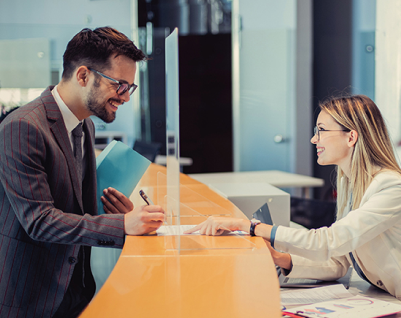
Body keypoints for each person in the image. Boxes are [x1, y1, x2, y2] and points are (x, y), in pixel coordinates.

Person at [0, 27, 165, 318]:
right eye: (119, 85)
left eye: (130, 87)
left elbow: (75, 206)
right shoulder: (23, 127)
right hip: (30, 297)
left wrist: (117, 214)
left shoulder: (85, 124)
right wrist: (122, 226)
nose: (125, 97)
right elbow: (39, 222)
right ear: (83, 75)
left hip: (75, 291)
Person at [186, 95, 401, 300]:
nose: (313, 138)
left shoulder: (391, 186)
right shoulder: (350, 182)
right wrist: (279, 258)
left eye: (322, 130)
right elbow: (339, 260)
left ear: (351, 137)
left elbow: (329, 242)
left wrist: (249, 226)